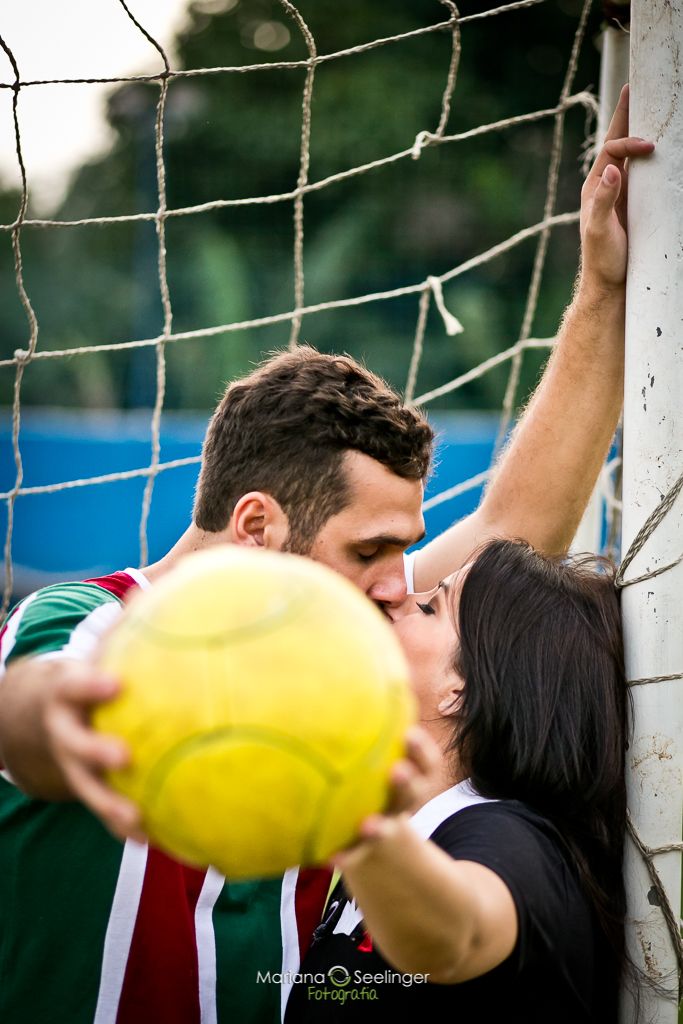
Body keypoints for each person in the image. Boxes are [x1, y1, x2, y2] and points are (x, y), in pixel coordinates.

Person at [0, 90, 650, 1024]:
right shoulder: (92, 627)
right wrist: (50, 712)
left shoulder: (331, 654)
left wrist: (602, 289)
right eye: (372, 549)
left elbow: (515, 530)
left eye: (408, 558)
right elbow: (22, 716)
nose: (399, 585)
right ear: (259, 529)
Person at [285, 539, 628, 1023]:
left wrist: (363, 823)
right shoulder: (415, 832)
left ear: (458, 690)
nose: (397, 599)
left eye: (429, 607)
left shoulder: (515, 841)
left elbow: (459, 937)